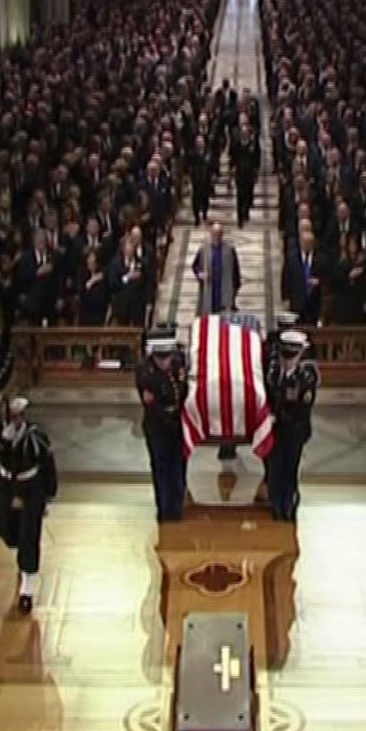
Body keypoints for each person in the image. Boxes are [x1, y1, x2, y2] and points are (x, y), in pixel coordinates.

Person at [0, 396, 58, 613]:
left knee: (29, 536)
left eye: (19, 415)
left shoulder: (36, 436)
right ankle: (21, 552)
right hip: (7, 488)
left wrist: (49, 495)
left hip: (31, 488)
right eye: (12, 416)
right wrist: (0, 441)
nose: (16, 420)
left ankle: (27, 589)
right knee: (6, 531)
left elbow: (48, 465)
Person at [265, 329, 319, 522]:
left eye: (291, 356)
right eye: (284, 355)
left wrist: (277, 417)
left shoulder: (307, 376)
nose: (287, 360)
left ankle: (287, 507)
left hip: (294, 432)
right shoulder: (273, 372)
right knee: (274, 470)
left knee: (289, 470)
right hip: (274, 432)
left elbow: (302, 409)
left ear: (300, 354)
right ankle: (275, 505)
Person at [137, 333, 188, 522]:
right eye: (161, 359)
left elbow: (182, 390)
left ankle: (177, 506)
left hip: (177, 424)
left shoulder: (177, 364)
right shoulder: (145, 372)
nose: (165, 363)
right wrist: (167, 412)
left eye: (167, 358)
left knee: (178, 466)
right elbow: (149, 401)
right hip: (157, 425)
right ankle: (164, 508)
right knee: (161, 467)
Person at [191, 221, 242, 315]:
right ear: (211, 234)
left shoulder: (230, 249)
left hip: (224, 288)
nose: (216, 236)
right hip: (210, 287)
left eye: (219, 234)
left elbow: (236, 271)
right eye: (214, 234)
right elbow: (195, 266)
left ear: (222, 234)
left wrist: (235, 289)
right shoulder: (204, 248)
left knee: (223, 316)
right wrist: (200, 274)